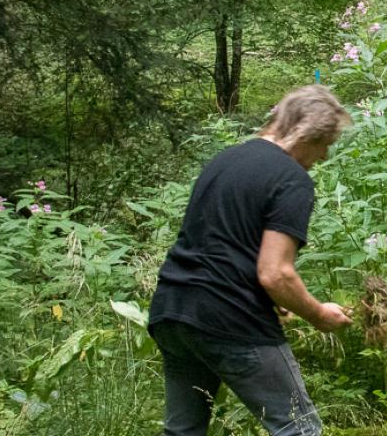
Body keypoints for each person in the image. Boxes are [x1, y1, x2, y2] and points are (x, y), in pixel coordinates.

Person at [149, 85, 354, 436]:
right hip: (229, 317)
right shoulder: (292, 180)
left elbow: (223, 243)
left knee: (182, 431)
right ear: (305, 134)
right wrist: (319, 314)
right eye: (325, 146)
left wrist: (273, 301)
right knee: (299, 429)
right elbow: (275, 273)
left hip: (174, 309)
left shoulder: (224, 160)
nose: (323, 157)